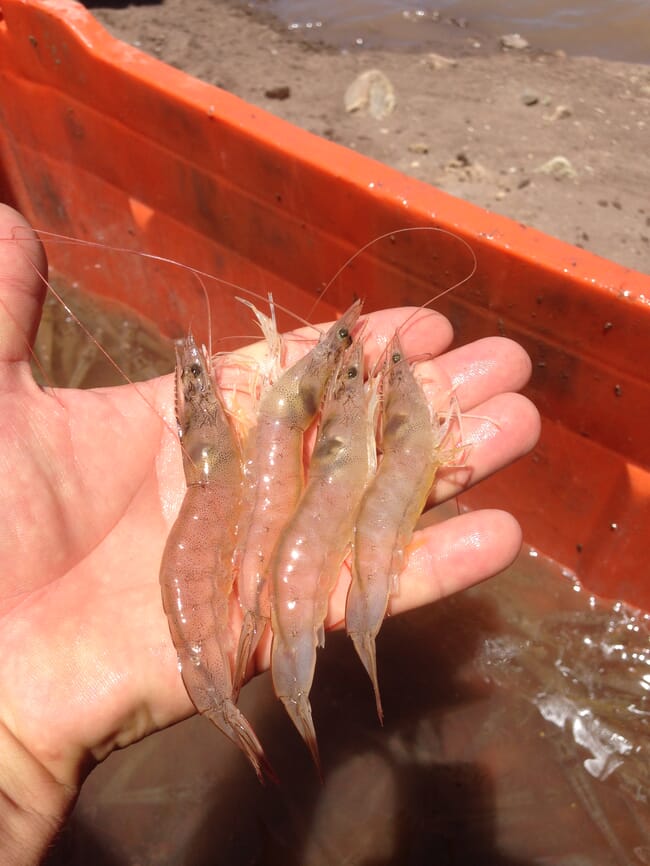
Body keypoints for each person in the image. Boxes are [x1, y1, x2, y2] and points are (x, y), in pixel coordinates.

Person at [0, 204, 540, 865]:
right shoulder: (247, 453)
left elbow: (279, 426)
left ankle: (270, 718)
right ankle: (264, 719)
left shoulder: (243, 447)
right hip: (225, 575)